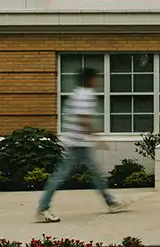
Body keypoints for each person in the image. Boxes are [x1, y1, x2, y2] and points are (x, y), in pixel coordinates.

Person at [36, 67, 124, 223]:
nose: (97, 82)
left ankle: (111, 202)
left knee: (94, 173)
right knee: (61, 175)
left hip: (77, 141)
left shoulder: (77, 94)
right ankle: (43, 208)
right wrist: (97, 137)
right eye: (95, 79)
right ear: (90, 80)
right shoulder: (85, 95)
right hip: (78, 143)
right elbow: (83, 119)